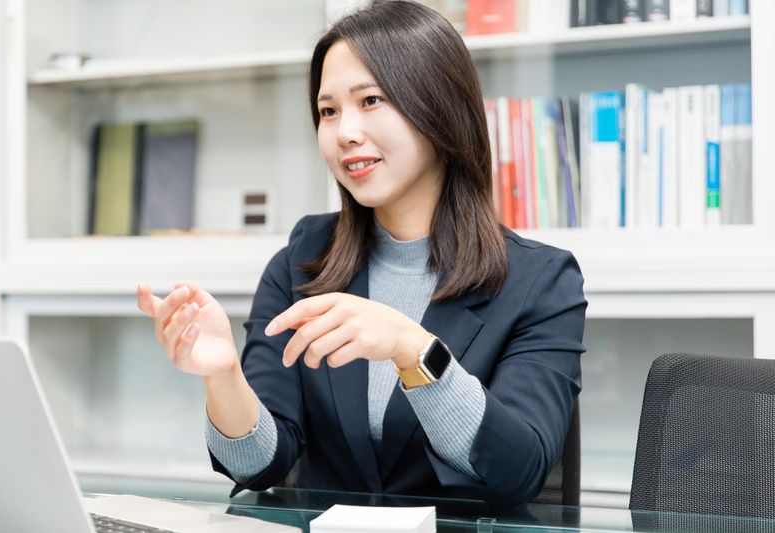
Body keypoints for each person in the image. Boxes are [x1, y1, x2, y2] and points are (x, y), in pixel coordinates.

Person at [137, 0, 586, 507]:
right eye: (328, 111)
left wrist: (413, 350)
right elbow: (260, 466)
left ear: (440, 108)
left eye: (370, 100)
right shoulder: (302, 261)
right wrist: (223, 377)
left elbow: (521, 471)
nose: (345, 132)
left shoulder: (541, 280)